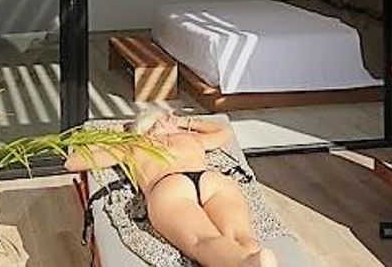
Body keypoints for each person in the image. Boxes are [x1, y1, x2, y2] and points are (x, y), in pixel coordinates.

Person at [65, 109, 278, 267]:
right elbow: (224, 132)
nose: (174, 120)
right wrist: (186, 123)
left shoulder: (133, 147)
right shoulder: (190, 139)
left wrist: (113, 137)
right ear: (156, 124)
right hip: (211, 180)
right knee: (241, 236)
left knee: (203, 241)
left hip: (169, 187)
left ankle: (244, 264)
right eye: (169, 118)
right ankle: (253, 260)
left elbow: (73, 162)